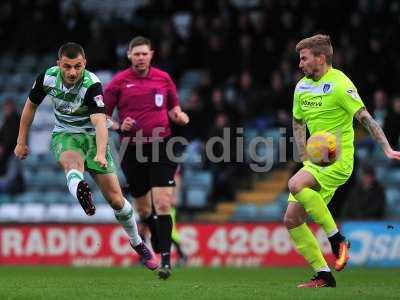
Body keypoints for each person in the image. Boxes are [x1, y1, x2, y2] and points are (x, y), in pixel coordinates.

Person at [14, 42, 158, 271]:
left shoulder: (92, 84)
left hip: (92, 137)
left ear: (85, 64)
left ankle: (138, 243)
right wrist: (21, 141)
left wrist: (101, 152)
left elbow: (100, 122)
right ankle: (81, 190)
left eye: (77, 67)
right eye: (67, 67)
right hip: (65, 134)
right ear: (58, 64)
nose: (72, 72)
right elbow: (30, 106)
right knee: (72, 162)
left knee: (117, 201)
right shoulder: (47, 78)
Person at [285, 34, 400, 288]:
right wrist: (304, 156)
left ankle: (337, 239)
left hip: (339, 161)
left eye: (304, 59)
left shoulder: (340, 84)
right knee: (292, 219)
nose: (300, 64)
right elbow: (297, 121)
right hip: (315, 162)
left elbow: (365, 118)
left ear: (321, 58)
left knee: (295, 185)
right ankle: (324, 275)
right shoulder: (301, 86)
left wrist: (387, 149)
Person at [104, 36, 189, 279]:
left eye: (144, 53)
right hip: (133, 150)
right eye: (136, 54)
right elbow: (101, 117)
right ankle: (158, 246)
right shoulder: (119, 83)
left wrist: (180, 116)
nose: (141, 58)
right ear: (129, 55)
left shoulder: (163, 79)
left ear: (151, 54)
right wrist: (119, 126)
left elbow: (174, 108)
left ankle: (166, 262)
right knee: (142, 210)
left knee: (163, 203)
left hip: (162, 147)